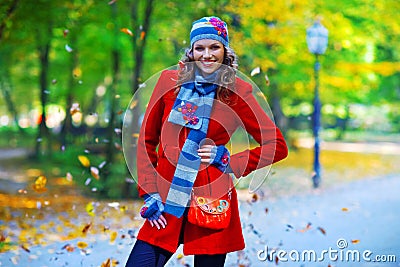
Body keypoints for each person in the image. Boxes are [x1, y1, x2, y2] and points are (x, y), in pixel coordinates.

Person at [125, 16, 288, 267]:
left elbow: (277, 145)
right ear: (191, 51)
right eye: (200, 47)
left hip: (211, 201)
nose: (207, 54)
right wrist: (149, 192)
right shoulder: (170, 82)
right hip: (167, 196)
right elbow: (146, 141)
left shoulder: (237, 90)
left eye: (214, 47)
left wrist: (227, 159)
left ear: (225, 51)